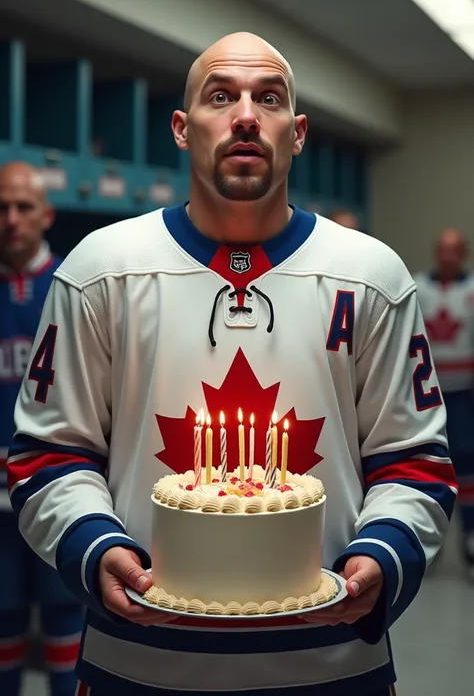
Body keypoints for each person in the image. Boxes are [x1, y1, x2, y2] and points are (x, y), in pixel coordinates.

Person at [7, 34, 456, 696]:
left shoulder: (372, 276)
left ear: (297, 132)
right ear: (183, 129)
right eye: (222, 95)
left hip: (333, 664)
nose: (246, 114)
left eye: (267, 98)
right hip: (139, 662)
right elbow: (50, 452)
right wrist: (94, 546)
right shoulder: (100, 272)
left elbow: (413, 457)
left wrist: (383, 554)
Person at [0, 162, 83, 696]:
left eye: (24, 207)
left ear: (46, 215)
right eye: (1, 208)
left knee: (65, 624)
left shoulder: (74, 287)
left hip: (57, 490)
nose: (11, 220)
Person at [414, 229, 474, 577]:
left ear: (463, 253)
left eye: (455, 250)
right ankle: (427, 541)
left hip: (464, 394)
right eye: (443, 250)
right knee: (427, 464)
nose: (448, 257)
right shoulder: (417, 286)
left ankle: (469, 538)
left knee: (466, 465)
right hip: (427, 394)